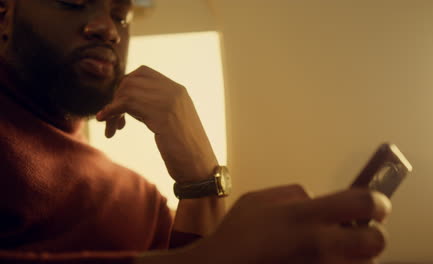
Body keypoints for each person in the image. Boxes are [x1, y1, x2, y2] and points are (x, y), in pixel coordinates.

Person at [0, 0, 392, 263]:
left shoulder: (142, 202)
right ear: (4, 15)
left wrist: (201, 176)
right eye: (74, 1)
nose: (109, 29)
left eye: (122, 15)